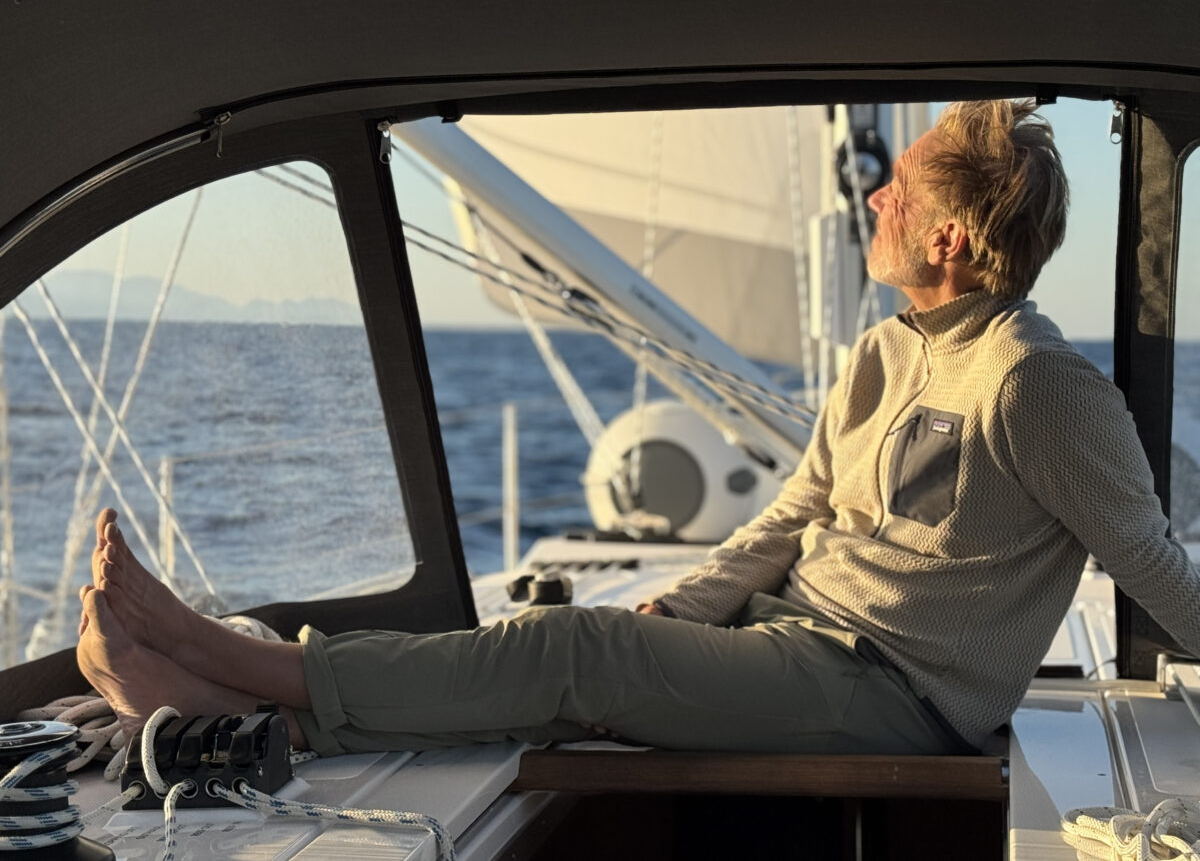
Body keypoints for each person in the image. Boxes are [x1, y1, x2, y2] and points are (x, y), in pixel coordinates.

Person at [76, 99, 1200, 757]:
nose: (875, 201)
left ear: (951, 238)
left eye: (897, 192)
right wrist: (690, 602)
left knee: (574, 650)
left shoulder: (1037, 384)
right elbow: (795, 516)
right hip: (791, 635)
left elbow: (1151, 561)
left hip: (895, 693)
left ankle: (225, 660)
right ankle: (227, 711)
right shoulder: (885, 351)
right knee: (588, 644)